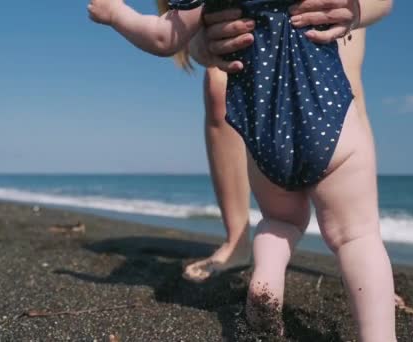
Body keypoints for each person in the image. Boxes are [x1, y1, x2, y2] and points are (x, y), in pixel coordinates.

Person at [88, 0, 396, 339]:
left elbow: (162, 38)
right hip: (333, 127)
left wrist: (115, 13)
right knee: (357, 237)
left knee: (279, 222)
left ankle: (265, 285)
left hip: (266, 141)